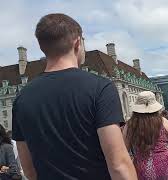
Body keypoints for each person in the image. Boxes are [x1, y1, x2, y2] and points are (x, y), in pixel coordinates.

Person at [12, 13, 137, 180]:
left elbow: (29, 170)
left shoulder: (21, 99)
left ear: (42, 47)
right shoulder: (100, 88)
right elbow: (119, 165)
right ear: (78, 43)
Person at [123, 91, 168, 180]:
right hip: (167, 163)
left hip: (143, 166)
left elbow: (124, 148)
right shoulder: (163, 121)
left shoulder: (130, 124)